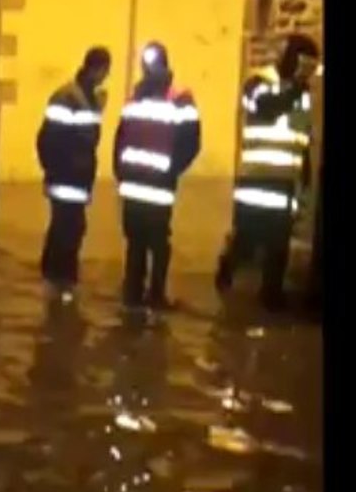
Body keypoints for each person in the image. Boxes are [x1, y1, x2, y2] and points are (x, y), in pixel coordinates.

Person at [215, 35, 321, 311]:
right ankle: (227, 266)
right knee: (247, 240)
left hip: (285, 183)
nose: (307, 72)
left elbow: (302, 137)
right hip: (256, 180)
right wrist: (297, 86)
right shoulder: (258, 83)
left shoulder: (301, 95)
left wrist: (304, 179)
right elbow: (267, 108)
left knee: (279, 243)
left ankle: (271, 295)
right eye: (304, 65)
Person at [113, 42, 201, 310]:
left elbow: (120, 141)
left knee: (141, 242)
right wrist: (171, 170)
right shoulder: (177, 101)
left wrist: (122, 172)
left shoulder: (150, 99)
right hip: (153, 185)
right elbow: (191, 143)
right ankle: (150, 294)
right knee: (153, 242)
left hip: (139, 184)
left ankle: (135, 293)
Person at [36, 47, 111, 299]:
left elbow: (89, 140)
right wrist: (54, 170)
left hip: (77, 180)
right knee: (68, 229)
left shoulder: (88, 98)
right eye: (104, 71)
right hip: (66, 178)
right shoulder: (67, 97)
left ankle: (54, 282)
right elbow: (47, 139)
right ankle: (61, 285)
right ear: (96, 68)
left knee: (66, 228)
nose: (104, 78)